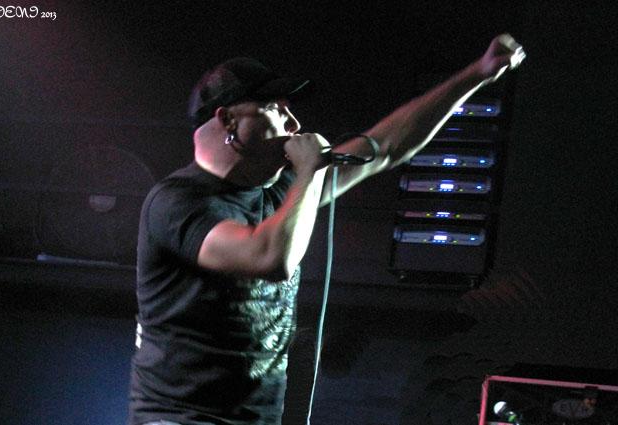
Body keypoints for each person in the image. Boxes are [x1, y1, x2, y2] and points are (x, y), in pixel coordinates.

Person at [128, 34, 526, 425]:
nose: (294, 123)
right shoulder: (178, 202)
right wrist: (308, 173)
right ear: (228, 120)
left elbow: (386, 146)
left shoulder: (282, 188)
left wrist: (477, 74)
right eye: (275, 109)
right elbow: (269, 258)